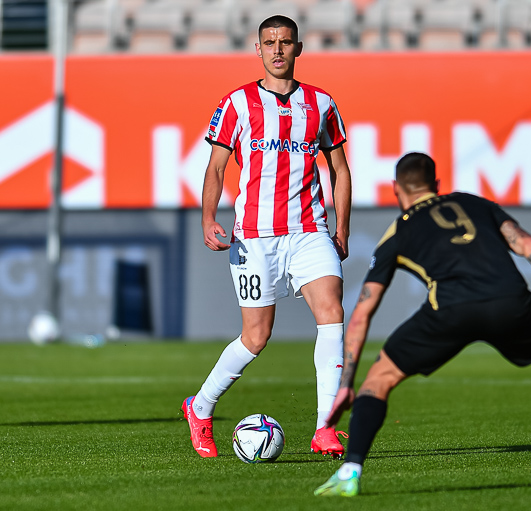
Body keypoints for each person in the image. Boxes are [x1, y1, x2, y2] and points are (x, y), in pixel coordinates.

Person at [314, 152, 531, 497]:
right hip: (510, 301)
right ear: (436, 184)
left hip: (449, 311)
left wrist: (347, 383)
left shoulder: (399, 229)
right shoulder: (473, 203)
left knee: (379, 380)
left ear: (396, 189)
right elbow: (528, 245)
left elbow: (363, 310)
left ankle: (350, 472)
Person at [182, 15, 352, 459]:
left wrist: (342, 228)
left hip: (309, 229)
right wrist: (207, 218)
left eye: (286, 42)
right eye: (270, 42)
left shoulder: (321, 104)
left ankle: (325, 427)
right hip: (255, 236)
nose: (278, 49)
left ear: (298, 48)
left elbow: (339, 169)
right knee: (256, 337)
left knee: (332, 313)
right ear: (257, 49)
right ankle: (200, 407)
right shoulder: (237, 103)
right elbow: (216, 167)